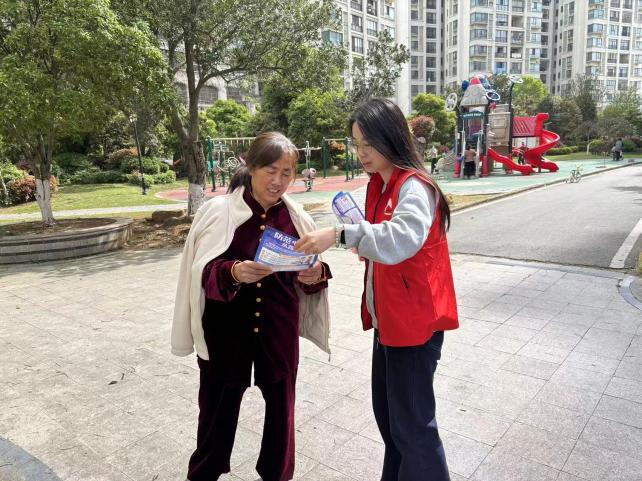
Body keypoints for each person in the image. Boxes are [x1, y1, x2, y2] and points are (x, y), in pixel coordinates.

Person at [295, 98, 458, 481]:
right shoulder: (381, 184)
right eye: (356, 144)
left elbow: (401, 238)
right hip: (391, 323)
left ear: (392, 137)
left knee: (413, 429)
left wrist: (340, 234)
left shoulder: (413, 186)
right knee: (392, 423)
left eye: (368, 143)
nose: (362, 153)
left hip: (414, 327)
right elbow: (383, 243)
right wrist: (364, 242)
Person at [171, 132, 332, 481]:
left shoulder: (297, 217)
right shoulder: (218, 213)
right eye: (270, 170)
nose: (278, 181)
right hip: (226, 333)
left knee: (281, 415)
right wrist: (233, 271)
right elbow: (200, 275)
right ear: (251, 167)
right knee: (216, 413)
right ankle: (204, 474)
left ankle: (277, 474)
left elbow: (312, 276)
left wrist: (315, 274)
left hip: (278, 331)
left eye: (287, 173)